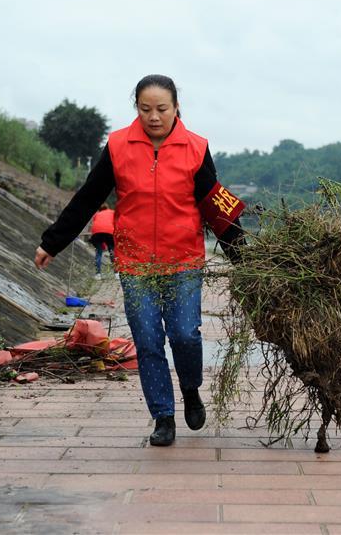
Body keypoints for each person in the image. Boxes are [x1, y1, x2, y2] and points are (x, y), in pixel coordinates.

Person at [34, 74, 245, 447]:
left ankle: (191, 389)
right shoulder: (118, 146)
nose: (153, 116)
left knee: (184, 334)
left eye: (162, 109)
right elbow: (87, 198)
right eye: (145, 109)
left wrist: (246, 259)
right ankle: (163, 416)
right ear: (136, 108)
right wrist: (53, 242)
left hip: (183, 261)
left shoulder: (196, 148)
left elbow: (217, 208)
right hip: (136, 264)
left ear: (177, 108)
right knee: (148, 341)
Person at [89, 203, 115, 278]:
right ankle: (116, 273)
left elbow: (95, 225)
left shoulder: (97, 214)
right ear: (107, 207)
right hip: (109, 232)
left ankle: (98, 274)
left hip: (96, 233)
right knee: (112, 251)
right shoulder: (112, 212)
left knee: (98, 253)